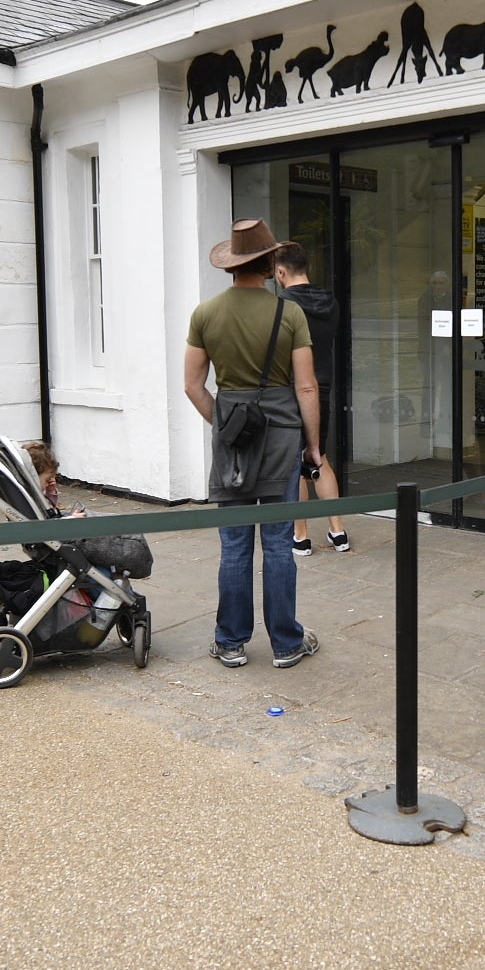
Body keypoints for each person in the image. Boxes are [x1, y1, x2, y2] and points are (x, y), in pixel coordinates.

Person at [183, 219, 321, 669]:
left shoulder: (205, 313)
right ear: (269, 263)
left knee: (235, 545)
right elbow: (306, 389)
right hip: (282, 437)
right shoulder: (291, 313)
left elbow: (193, 387)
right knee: (279, 543)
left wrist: (225, 425)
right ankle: (286, 644)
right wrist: (313, 447)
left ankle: (230, 642)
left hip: (234, 442)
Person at [272, 240, 351, 555]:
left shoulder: (283, 305)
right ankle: (338, 530)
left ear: (281, 271)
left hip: (293, 388)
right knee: (320, 457)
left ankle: (301, 536)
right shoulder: (329, 301)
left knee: (296, 461)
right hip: (324, 386)